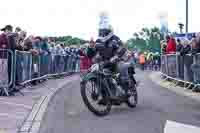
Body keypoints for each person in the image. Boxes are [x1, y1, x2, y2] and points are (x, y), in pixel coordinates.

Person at [86, 22, 136, 105]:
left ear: (109, 31)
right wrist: (90, 47)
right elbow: (90, 55)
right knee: (97, 74)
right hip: (105, 63)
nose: (102, 33)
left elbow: (122, 48)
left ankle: (127, 89)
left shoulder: (115, 38)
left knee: (121, 67)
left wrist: (116, 57)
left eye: (104, 31)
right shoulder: (98, 41)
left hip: (117, 61)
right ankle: (106, 96)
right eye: (101, 31)